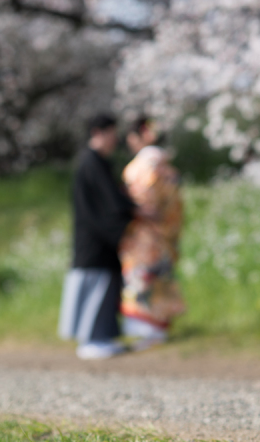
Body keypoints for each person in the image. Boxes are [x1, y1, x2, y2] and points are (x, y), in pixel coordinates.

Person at [58, 113, 136, 359]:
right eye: (112, 134)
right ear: (98, 133)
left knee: (106, 288)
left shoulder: (97, 162)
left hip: (100, 237)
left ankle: (101, 337)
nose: (115, 139)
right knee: (97, 289)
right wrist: (135, 210)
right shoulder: (91, 163)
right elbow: (111, 202)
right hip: (95, 238)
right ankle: (91, 339)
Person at [119, 116, 185, 350]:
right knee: (160, 281)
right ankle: (159, 328)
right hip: (166, 234)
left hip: (145, 237)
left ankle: (145, 331)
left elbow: (146, 203)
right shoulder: (167, 167)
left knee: (143, 281)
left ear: (138, 137)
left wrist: (126, 208)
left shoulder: (143, 167)